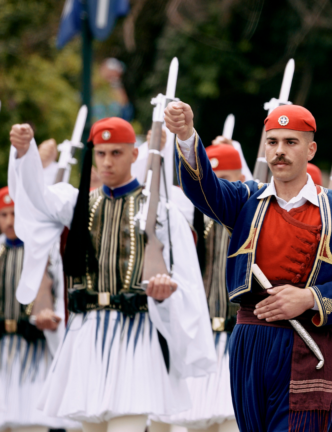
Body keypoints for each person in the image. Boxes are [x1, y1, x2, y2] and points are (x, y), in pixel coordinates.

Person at [168, 101, 332, 431]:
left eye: (291, 142)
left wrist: (311, 298)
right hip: (249, 342)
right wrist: (185, 135)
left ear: (311, 149)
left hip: (308, 342)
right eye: (272, 142)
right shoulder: (245, 201)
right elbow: (203, 189)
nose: (279, 151)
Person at [8, 118, 216, 432]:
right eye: (101, 153)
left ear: (135, 154)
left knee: (127, 423)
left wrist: (167, 292)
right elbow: (35, 201)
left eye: (116, 153)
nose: (106, 161)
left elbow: (186, 275)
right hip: (87, 332)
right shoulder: (78, 205)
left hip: (135, 332)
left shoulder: (159, 210)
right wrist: (25, 155)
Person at [153, 144, 244, 432]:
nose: (218, 188)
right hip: (201, 340)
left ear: (242, 180)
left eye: (227, 178)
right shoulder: (189, 223)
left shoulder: (251, 221)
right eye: (213, 180)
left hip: (237, 338)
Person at [0, 186, 79, 432]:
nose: (10, 221)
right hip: (3, 346)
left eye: (14, 214)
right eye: (4, 215)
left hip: (35, 344)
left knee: (33, 419)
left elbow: (61, 294)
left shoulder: (44, 250)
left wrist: (50, 317)